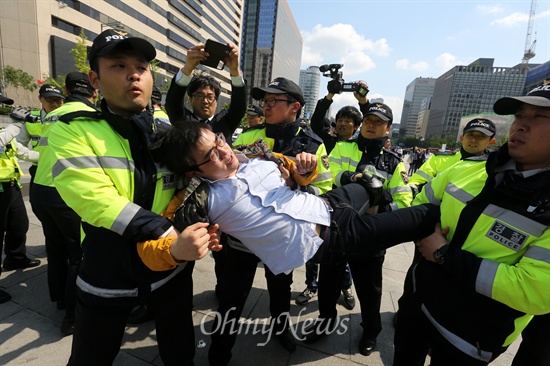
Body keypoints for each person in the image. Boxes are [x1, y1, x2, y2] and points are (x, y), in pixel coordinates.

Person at [46, 29, 215, 365]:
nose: (134, 74)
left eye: (141, 66)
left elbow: (199, 174)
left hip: (170, 268)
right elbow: (91, 196)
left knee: (180, 352)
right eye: (118, 66)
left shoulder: (165, 128)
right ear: (95, 78)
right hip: (108, 272)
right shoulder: (73, 128)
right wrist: (165, 232)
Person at [392, 85, 550, 365]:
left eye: (539, 117)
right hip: (419, 303)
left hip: (470, 337)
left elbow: (535, 290)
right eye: (519, 115)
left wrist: (443, 254)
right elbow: (420, 208)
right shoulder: (467, 168)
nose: (521, 125)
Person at [201, 77, 332, 364]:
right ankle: (219, 352)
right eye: (265, 101)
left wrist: (297, 183)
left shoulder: (312, 145)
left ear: (294, 106)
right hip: (243, 237)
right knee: (231, 298)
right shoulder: (249, 135)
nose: (266, 106)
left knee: (280, 288)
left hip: (282, 236)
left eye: (274, 101)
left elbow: (323, 192)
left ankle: (281, 329)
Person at [306, 102, 413, 357]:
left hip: (369, 235)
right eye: (368, 121)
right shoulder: (342, 146)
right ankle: (326, 320)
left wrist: (378, 207)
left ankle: (370, 331)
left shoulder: (394, 162)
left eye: (378, 122)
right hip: (336, 232)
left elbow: (404, 202)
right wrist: (350, 178)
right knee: (328, 284)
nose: (371, 125)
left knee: (369, 289)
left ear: (388, 128)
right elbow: (326, 175)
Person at [32, 72, 98, 336]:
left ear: (67, 91)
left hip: (39, 190)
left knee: (55, 245)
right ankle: (72, 317)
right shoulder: (90, 115)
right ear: (93, 91)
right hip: (64, 192)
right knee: (77, 253)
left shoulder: (50, 115)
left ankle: (59, 298)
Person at [297, 81, 366, 309]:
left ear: (357, 127)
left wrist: (362, 100)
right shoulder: (325, 141)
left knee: (342, 251)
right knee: (311, 246)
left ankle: (345, 286)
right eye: (341, 119)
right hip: (319, 202)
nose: (344, 123)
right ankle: (311, 285)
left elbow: (372, 126)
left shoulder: (360, 147)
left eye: (350, 121)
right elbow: (316, 120)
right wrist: (329, 95)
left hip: (346, 208)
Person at [0, 96, 41, 304]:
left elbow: (19, 151)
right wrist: (17, 123)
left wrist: (48, 157)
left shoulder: (4, 131)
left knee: (19, 225)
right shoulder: (7, 131)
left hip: (9, 185)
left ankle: (15, 258)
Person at [164, 42, 246, 143]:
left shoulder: (225, 122)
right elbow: (173, 102)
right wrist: (188, 68)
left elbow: (239, 106)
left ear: (216, 101)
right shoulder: (183, 121)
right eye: (199, 95)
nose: (205, 101)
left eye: (210, 97)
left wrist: (234, 70)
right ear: (190, 99)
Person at [408, 118, 497, 194]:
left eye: (481, 136)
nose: (474, 140)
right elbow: (415, 184)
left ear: (491, 142)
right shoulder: (439, 159)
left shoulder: (494, 167)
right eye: (470, 135)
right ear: (462, 138)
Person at [17, 84, 65, 180]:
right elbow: (18, 145)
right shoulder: (30, 118)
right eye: (50, 99)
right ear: (40, 98)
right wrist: (37, 157)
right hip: (39, 169)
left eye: (58, 100)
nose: (54, 104)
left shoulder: (69, 117)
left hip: (63, 168)